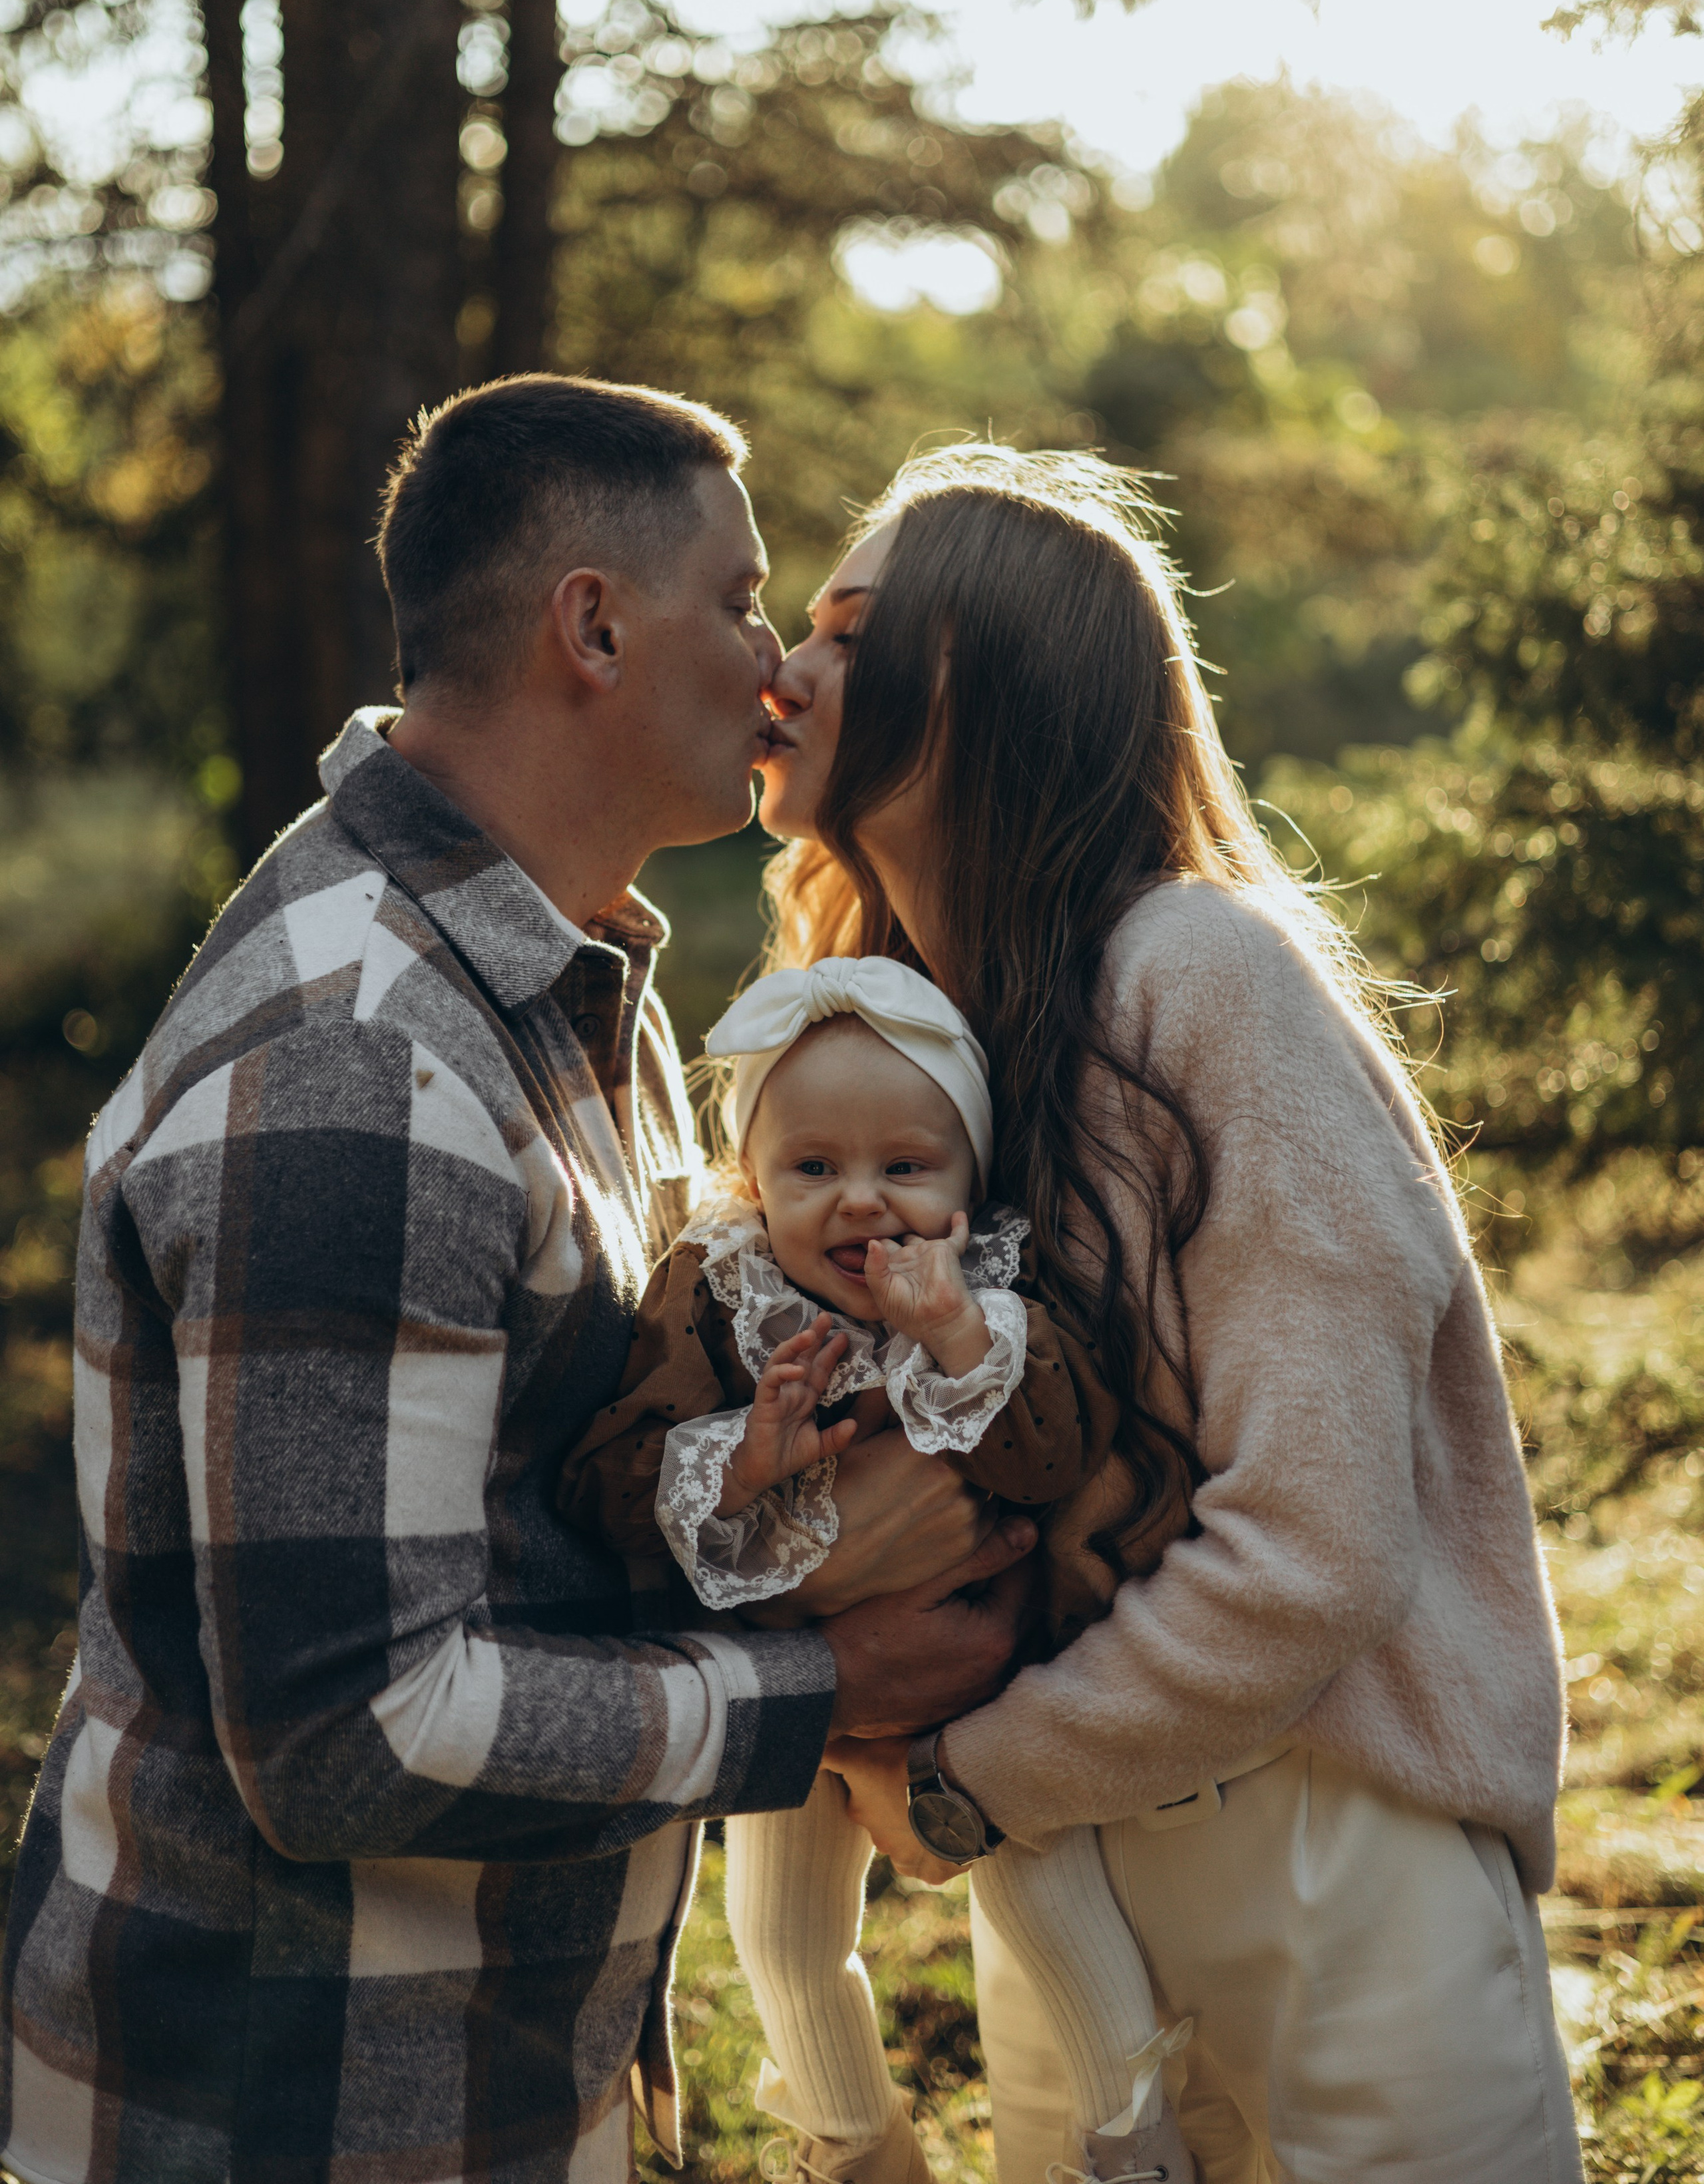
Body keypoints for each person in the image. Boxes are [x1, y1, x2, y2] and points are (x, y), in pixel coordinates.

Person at [0, 378, 1032, 2184]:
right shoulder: (362, 1061)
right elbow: (344, 1733)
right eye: (742, 596)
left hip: (466, 2068)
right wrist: (819, 1685)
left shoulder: (557, 985)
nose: (776, 662)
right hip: (284, 2112)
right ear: (594, 626)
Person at [755, 445, 1584, 2184]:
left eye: (848, 627)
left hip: (1323, 1868)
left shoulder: (1203, 979)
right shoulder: (914, 1049)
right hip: (1074, 1884)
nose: (790, 667)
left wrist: (978, 1778)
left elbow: (1315, 1547)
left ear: (979, 676)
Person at [556, 955, 1197, 2184]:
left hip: (987, 1706)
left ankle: (1134, 2135)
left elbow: (1060, 1447)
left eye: (905, 1168)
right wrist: (740, 1462)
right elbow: (610, 1483)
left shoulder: (993, 1287)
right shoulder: (719, 1291)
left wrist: (955, 1336)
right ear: (753, 1176)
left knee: (1054, 1911)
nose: (861, 1204)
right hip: (796, 1687)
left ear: (969, 1178)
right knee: (782, 1938)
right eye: (814, 1169)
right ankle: (851, 2146)